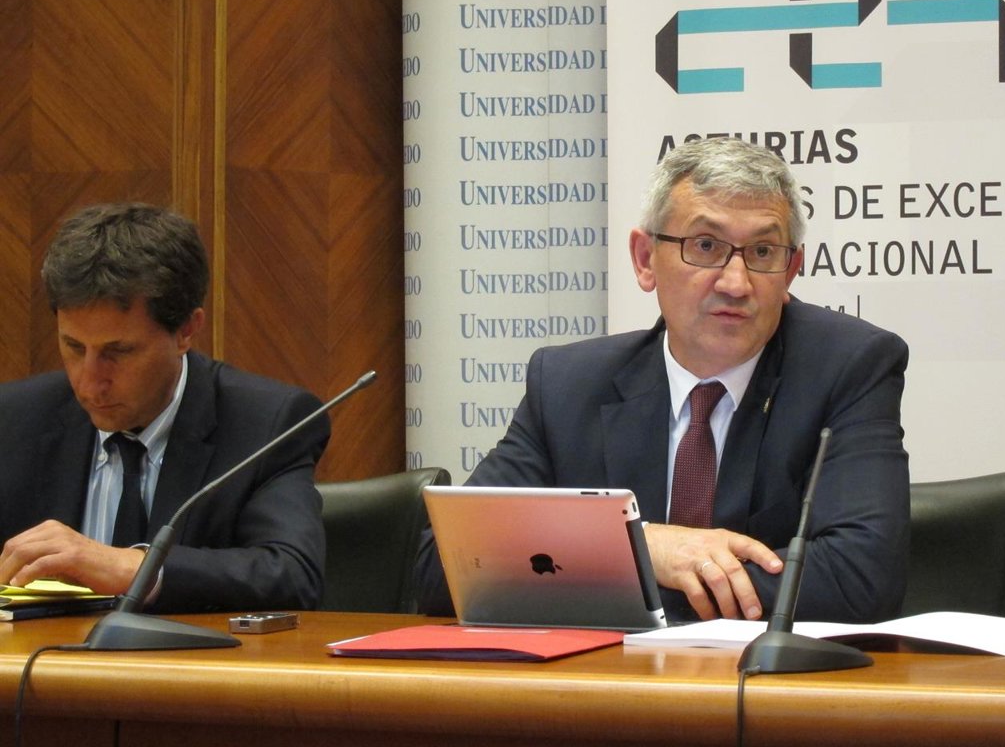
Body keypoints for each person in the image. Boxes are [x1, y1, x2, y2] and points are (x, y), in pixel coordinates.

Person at [415, 136, 910, 623]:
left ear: (791, 272)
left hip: (769, 693)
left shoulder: (848, 367)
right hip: (602, 689)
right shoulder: (568, 385)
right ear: (645, 259)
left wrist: (641, 574)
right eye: (706, 246)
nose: (736, 283)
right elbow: (448, 570)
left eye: (762, 252)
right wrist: (644, 547)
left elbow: (858, 581)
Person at [0, 202, 330, 612]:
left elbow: (292, 574)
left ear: (186, 330)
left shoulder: (265, 423)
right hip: (40, 668)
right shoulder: (14, 419)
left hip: (190, 672)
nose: (89, 381)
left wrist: (130, 567)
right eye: (73, 347)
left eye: (117, 352)